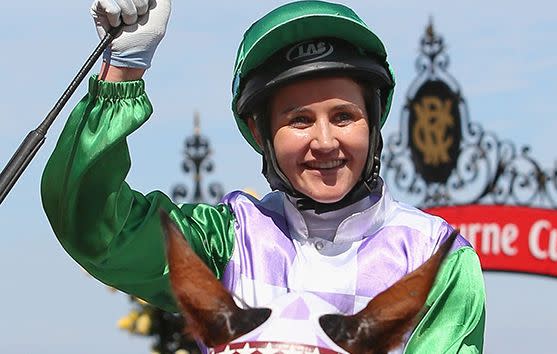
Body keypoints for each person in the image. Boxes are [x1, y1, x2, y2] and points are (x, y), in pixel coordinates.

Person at [41, 0, 486, 352]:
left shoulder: (436, 258)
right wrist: (125, 68)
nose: (326, 141)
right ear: (260, 131)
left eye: (345, 116)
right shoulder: (228, 242)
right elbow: (95, 227)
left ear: (373, 121)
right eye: (299, 120)